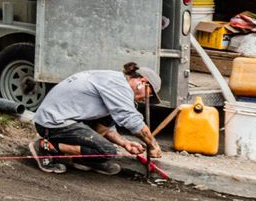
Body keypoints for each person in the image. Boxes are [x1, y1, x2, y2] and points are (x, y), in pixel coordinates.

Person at [29, 62, 162, 175]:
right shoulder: (119, 86)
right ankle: (46, 147)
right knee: (107, 150)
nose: (145, 99)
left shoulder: (115, 81)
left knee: (109, 119)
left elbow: (106, 126)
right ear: (142, 81)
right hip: (52, 123)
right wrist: (153, 145)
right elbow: (133, 121)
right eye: (148, 95)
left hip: (60, 119)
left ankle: (83, 159)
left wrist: (125, 143)